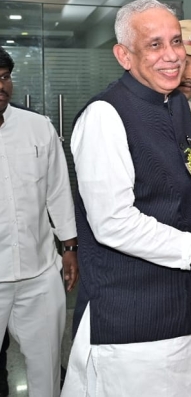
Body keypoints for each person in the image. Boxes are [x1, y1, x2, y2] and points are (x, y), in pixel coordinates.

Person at [62, 0, 191, 397]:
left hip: (187, 307)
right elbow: (113, 223)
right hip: (133, 317)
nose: (173, 56)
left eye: (176, 41)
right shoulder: (104, 116)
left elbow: (183, 191)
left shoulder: (175, 104)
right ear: (124, 55)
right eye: (155, 45)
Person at [0, 46, 79, 397]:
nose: (1, 86)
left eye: (4, 78)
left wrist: (70, 247)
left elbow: (58, 191)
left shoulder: (37, 127)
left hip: (39, 271)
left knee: (47, 367)